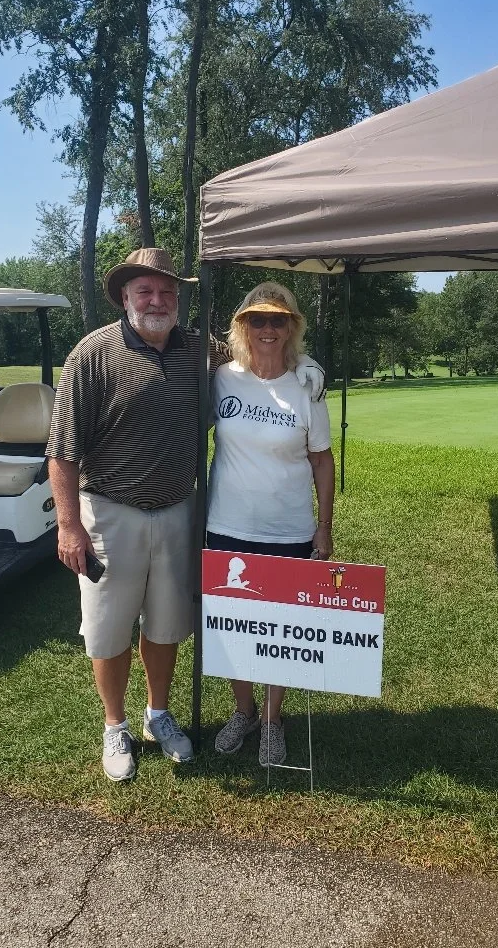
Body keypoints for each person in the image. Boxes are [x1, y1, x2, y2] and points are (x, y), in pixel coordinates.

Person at [46, 249, 324, 783]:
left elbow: (258, 354)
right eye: (145, 292)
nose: (157, 301)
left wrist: (306, 365)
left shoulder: (198, 347)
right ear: (125, 298)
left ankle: (158, 712)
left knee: (168, 621)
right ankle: (114, 723)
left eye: (167, 292)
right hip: (109, 510)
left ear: (178, 300)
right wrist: (68, 524)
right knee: (109, 628)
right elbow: (62, 449)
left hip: (179, 510)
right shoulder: (92, 354)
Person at [207, 281, 335, 767]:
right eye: (257, 319)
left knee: (280, 631)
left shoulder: (307, 386)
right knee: (235, 628)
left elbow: (322, 460)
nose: (267, 328)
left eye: (277, 320)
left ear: (291, 327)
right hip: (226, 526)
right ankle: (242, 711)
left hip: (288, 529)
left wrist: (324, 527)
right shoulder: (223, 377)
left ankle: (272, 718)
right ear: (242, 325)